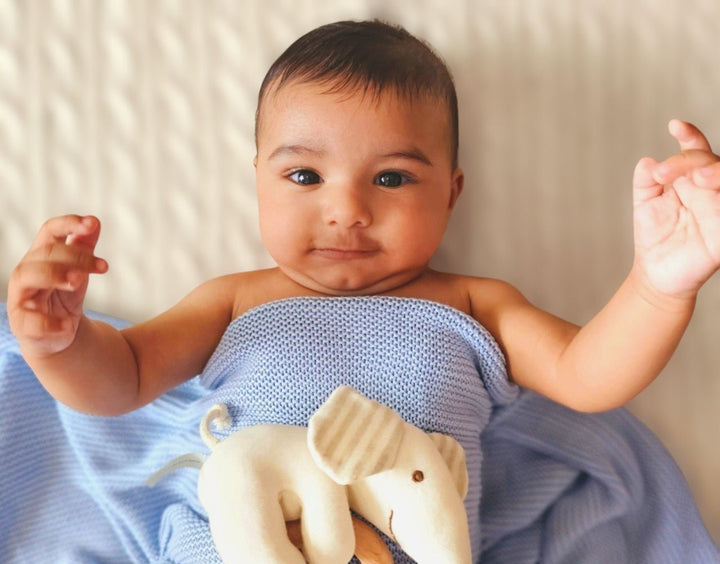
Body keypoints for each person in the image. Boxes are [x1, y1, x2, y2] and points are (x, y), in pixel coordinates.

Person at [6, 20, 720, 418]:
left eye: (391, 177)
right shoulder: (232, 302)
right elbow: (122, 379)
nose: (346, 210)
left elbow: (587, 376)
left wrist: (660, 285)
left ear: (451, 192)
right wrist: (60, 343)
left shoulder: (476, 307)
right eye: (303, 176)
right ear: (257, 181)